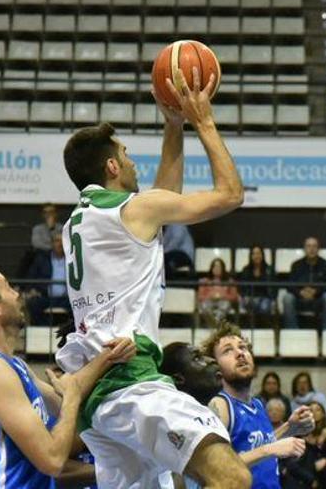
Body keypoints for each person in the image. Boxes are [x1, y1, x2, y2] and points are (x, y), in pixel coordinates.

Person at [55, 69, 252, 488]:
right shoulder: (130, 210)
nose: (131, 161)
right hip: (130, 378)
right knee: (232, 477)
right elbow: (230, 194)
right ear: (111, 165)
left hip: (96, 392)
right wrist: (203, 121)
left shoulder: (80, 219)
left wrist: (173, 126)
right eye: (125, 154)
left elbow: (164, 199)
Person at [0, 260, 132, 488]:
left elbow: (63, 395)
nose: (17, 293)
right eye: (8, 287)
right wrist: (72, 401)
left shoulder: (13, 365)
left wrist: (110, 355)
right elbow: (52, 460)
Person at [202, 322, 315, 489]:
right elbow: (211, 470)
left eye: (243, 347)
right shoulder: (220, 405)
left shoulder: (257, 404)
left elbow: (257, 444)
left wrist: (290, 427)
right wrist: (270, 450)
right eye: (228, 350)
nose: (240, 353)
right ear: (215, 367)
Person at [282, 237, 326, 330]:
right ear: (304, 249)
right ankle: (293, 333)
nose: (311, 249)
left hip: (318, 300)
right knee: (287, 298)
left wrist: (316, 292)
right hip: (300, 299)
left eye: (314, 246)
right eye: (309, 246)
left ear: (319, 249)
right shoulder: (296, 265)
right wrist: (301, 292)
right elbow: (290, 285)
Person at [24, 233, 72, 326]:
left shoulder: (71, 259)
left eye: (62, 241)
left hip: (66, 298)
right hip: (46, 296)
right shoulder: (42, 259)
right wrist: (32, 290)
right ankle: (44, 332)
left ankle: (69, 331)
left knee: (78, 306)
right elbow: (31, 276)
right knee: (33, 305)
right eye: (57, 241)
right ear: (52, 243)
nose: (60, 244)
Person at [238, 244, 277, 320]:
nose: (256, 256)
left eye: (258, 253)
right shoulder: (246, 270)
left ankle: (259, 327)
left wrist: (272, 298)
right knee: (247, 303)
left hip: (265, 298)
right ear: (251, 256)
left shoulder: (269, 270)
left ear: (262, 255)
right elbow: (242, 288)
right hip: (250, 298)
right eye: (254, 253)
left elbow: (274, 289)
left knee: (264, 307)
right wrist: (244, 296)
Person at [197, 257, 239, 323]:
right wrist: (210, 296)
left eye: (219, 267)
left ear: (223, 268)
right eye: (214, 266)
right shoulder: (204, 281)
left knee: (225, 305)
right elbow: (200, 297)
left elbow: (234, 297)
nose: (216, 269)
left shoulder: (230, 281)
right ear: (211, 268)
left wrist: (223, 296)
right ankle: (215, 324)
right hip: (209, 302)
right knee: (204, 306)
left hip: (223, 302)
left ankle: (215, 322)